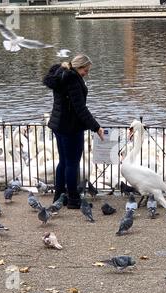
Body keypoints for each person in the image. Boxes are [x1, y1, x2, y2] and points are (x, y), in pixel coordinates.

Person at [43, 54, 104, 209]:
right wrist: (96, 127)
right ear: (79, 67)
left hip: (58, 125)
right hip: (71, 127)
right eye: (86, 70)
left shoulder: (60, 76)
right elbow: (80, 109)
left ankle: (59, 196)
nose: (86, 74)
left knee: (63, 162)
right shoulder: (72, 79)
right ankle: (73, 200)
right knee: (72, 163)